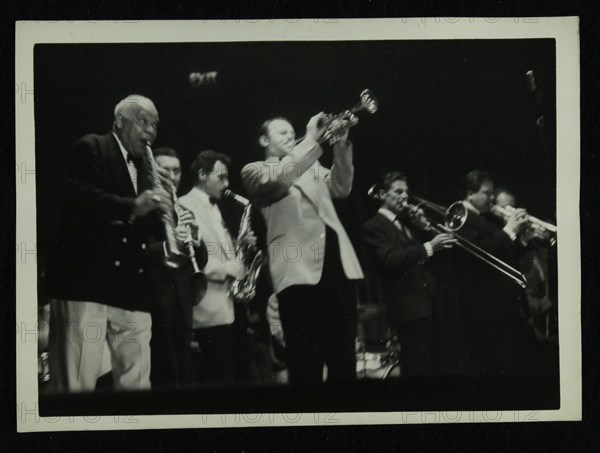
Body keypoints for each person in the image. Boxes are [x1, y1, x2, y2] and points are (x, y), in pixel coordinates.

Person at [47, 94, 173, 391]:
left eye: (155, 125)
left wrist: (171, 220)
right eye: (143, 121)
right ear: (120, 120)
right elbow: (78, 198)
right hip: (86, 282)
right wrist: (132, 206)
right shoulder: (90, 146)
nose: (151, 131)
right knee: (76, 383)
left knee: (138, 383)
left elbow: (146, 222)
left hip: (131, 287)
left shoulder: (148, 169)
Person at [241, 114, 364, 384]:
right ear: (264, 140)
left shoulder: (311, 164)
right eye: (281, 132)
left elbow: (342, 188)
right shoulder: (255, 170)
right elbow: (281, 178)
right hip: (297, 271)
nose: (288, 135)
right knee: (306, 359)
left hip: (336, 265)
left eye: (291, 131)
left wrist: (341, 146)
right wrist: (310, 138)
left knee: (343, 356)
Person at [361, 172, 456, 376]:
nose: (405, 196)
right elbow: (392, 258)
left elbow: (433, 258)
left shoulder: (405, 224)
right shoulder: (372, 226)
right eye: (398, 191)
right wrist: (429, 245)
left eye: (406, 191)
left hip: (429, 307)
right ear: (383, 195)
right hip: (408, 312)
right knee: (418, 370)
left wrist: (425, 228)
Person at [179, 150, 249, 385]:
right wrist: (229, 268)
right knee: (217, 379)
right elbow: (192, 260)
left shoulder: (214, 207)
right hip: (208, 308)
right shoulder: (185, 206)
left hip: (227, 305)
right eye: (221, 177)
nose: (227, 184)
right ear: (202, 175)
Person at [454, 170, 530, 375]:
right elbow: (479, 253)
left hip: (499, 307)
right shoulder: (460, 217)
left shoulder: (483, 218)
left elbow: (504, 255)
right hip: (484, 308)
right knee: (495, 367)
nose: (491, 198)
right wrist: (508, 231)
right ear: (470, 193)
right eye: (487, 193)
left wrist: (522, 238)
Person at [150, 147, 208, 388]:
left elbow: (200, 259)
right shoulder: (145, 205)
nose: (173, 176)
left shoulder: (182, 210)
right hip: (153, 299)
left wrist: (194, 241)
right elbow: (139, 252)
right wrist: (168, 243)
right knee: (162, 374)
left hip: (182, 303)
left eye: (176, 170)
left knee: (182, 374)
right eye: (165, 170)